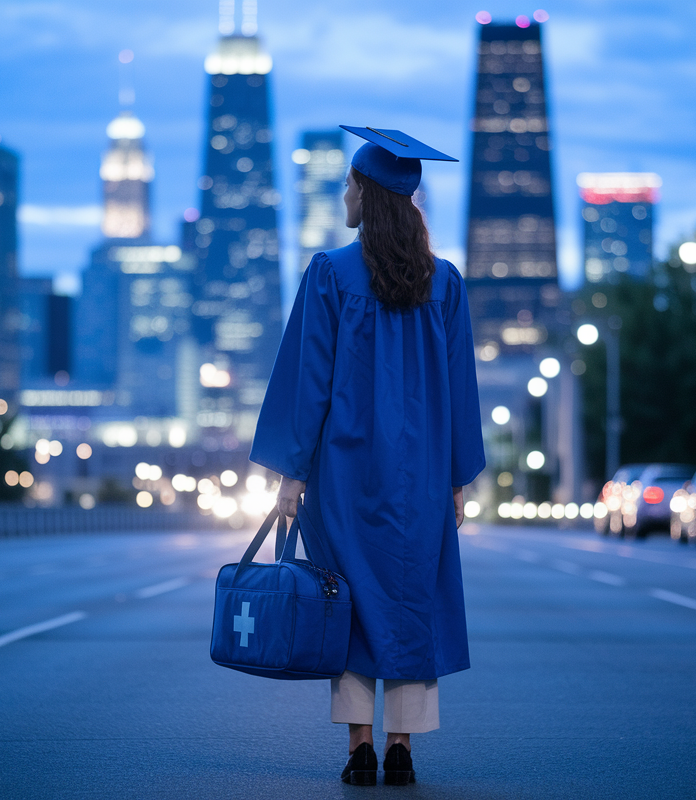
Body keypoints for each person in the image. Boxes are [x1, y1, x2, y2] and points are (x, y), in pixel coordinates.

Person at [249, 127, 486, 787]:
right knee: (413, 596)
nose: (344, 192)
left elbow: (308, 382)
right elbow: (460, 386)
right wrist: (457, 477)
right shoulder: (447, 284)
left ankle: (358, 745)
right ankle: (402, 744)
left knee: (344, 597)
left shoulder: (330, 274)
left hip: (344, 476)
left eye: (351, 184)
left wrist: (291, 473)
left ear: (369, 195)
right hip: (420, 479)